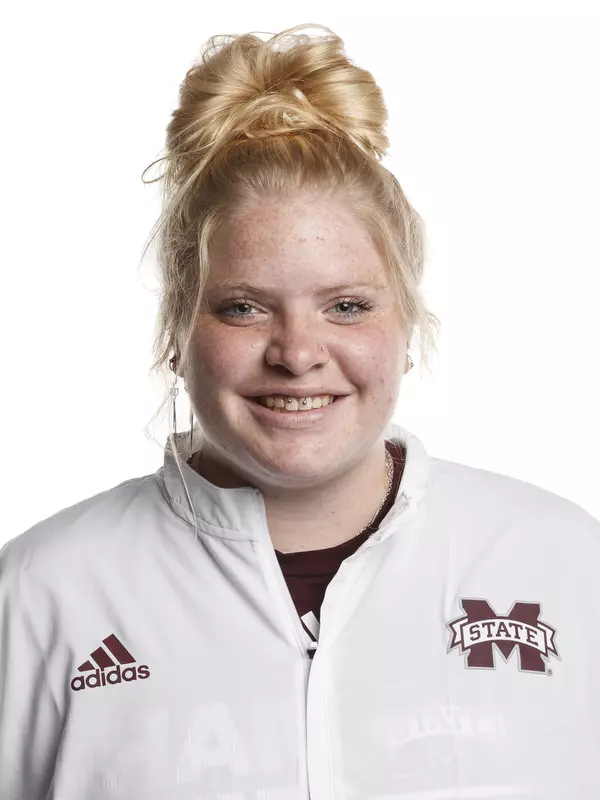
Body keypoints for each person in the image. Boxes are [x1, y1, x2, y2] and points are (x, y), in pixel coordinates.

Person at [1, 22, 599, 800]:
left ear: (406, 329)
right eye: (245, 308)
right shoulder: (45, 592)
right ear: (177, 332)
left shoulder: (562, 563)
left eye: (346, 306)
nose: (297, 352)